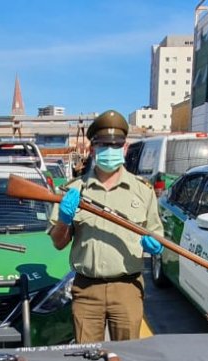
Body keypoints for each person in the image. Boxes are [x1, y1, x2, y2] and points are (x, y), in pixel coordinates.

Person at [49, 109, 164, 343]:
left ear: (125, 148)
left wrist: (155, 246)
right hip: (86, 289)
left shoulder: (142, 190)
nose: (109, 151)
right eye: (103, 145)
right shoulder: (73, 190)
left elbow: (157, 235)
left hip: (127, 287)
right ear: (92, 148)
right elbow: (58, 243)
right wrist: (64, 219)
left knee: (130, 356)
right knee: (86, 358)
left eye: (115, 145)